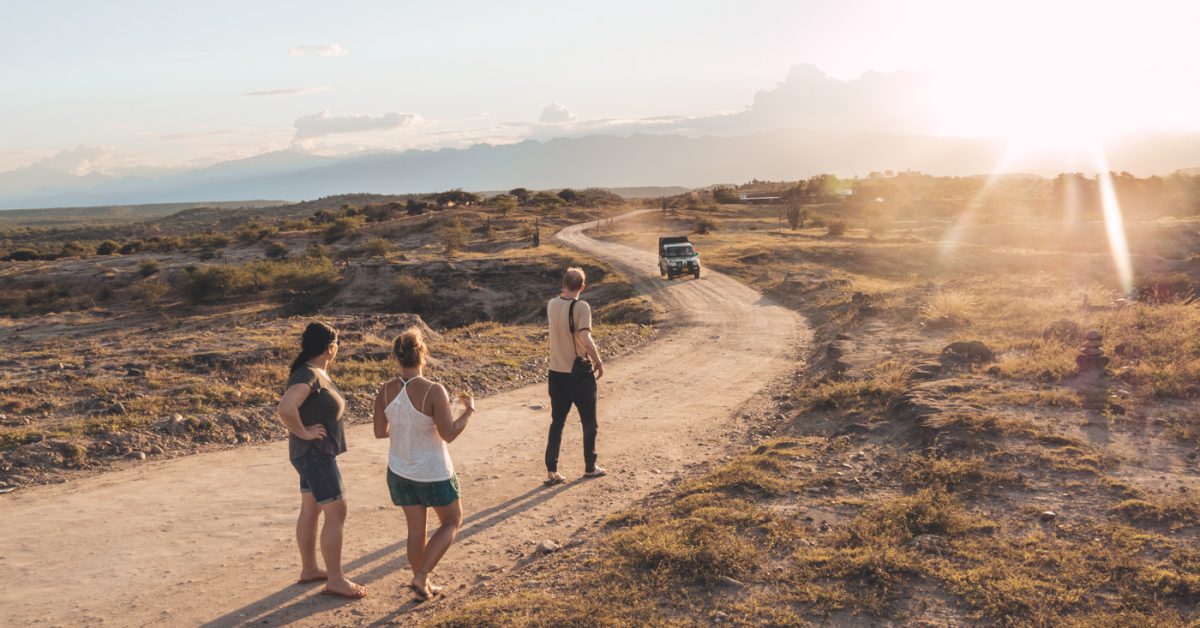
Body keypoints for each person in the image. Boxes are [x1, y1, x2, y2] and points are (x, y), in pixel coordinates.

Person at [373, 328, 476, 601]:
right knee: (452, 521)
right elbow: (449, 434)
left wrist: (405, 428)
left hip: (399, 470)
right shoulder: (433, 390)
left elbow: (380, 432)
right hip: (432, 472)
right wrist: (468, 411)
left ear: (396, 357)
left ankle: (422, 583)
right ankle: (421, 577)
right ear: (423, 355)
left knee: (416, 531)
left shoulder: (384, 391)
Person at [276, 322, 367, 599]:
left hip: (311, 454)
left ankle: (310, 569)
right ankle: (336, 580)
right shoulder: (308, 375)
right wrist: (303, 432)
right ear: (330, 348)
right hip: (315, 455)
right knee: (336, 512)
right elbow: (285, 407)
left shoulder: (315, 373)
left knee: (311, 509)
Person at [543, 267, 606, 486]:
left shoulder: (552, 304)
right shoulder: (582, 307)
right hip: (578, 374)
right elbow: (586, 339)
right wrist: (598, 361)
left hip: (555, 373)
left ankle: (552, 471)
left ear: (563, 284)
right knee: (589, 422)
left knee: (557, 422)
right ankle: (590, 466)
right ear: (582, 287)